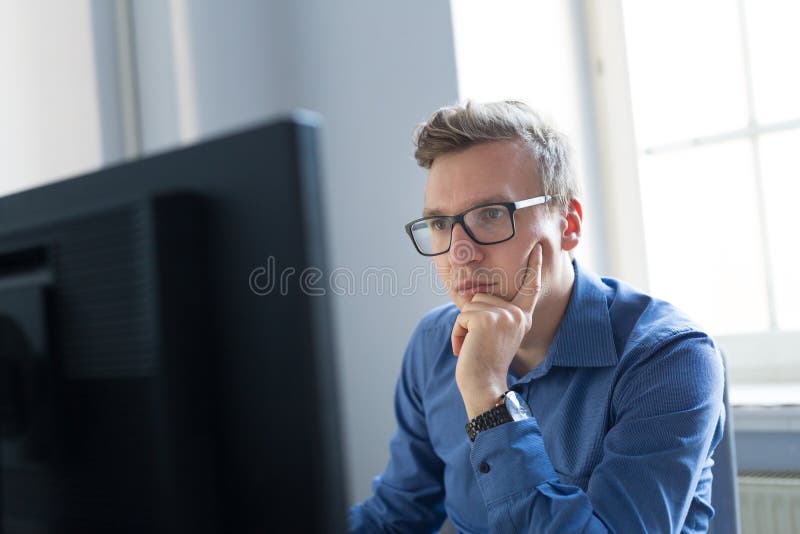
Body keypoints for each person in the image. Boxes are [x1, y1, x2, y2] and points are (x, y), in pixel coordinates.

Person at [349, 101, 724, 533]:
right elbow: (397, 516)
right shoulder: (434, 343)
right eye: (439, 224)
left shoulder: (670, 357)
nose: (459, 252)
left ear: (568, 224)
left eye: (491, 215)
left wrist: (489, 398)